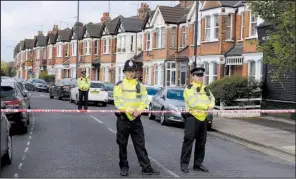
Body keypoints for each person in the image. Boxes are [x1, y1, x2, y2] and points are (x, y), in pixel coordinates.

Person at [113, 59, 160, 176]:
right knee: (122, 145)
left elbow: (144, 99)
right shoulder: (119, 85)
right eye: (129, 71)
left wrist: (139, 111)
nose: (131, 73)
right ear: (124, 72)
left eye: (133, 71)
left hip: (136, 120)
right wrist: (129, 110)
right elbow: (117, 102)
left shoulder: (140, 85)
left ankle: (146, 168)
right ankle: (124, 167)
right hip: (123, 119)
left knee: (140, 144)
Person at [180, 67, 215, 173]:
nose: (200, 77)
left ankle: (198, 164)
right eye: (198, 75)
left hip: (203, 119)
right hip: (192, 117)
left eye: (201, 75)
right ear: (193, 76)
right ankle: (184, 164)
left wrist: (211, 106)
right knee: (188, 141)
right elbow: (192, 103)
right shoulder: (189, 88)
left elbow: (212, 99)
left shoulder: (206, 89)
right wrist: (206, 107)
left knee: (201, 142)